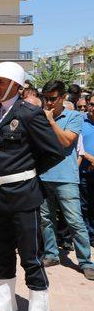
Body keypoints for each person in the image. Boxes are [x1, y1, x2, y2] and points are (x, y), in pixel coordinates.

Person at [0, 62, 64, 311]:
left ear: (17, 85)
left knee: (30, 256)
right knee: (1, 249)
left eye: (1, 82)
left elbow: (54, 151)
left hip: (23, 194)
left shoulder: (29, 113)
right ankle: (4, 299)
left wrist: (27, 171)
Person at [37, 80, 94, 279]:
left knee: (75, 221)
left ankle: (86, 261)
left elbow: (66, 142)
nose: (49, 103)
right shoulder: (40, 117)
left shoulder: (74, 116)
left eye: (52, 99)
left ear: (63, 97)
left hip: (66, 178)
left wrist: (51, 121)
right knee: (46, 220)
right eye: (46, 99)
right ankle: (52, 254)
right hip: (43, 176)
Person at [79, 94, 94, 245]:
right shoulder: (80, 120)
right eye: (91, 104)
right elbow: (75, 145)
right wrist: (91, 159)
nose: (92, 108)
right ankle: (87, 236)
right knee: (84, 206)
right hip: (84, 171)